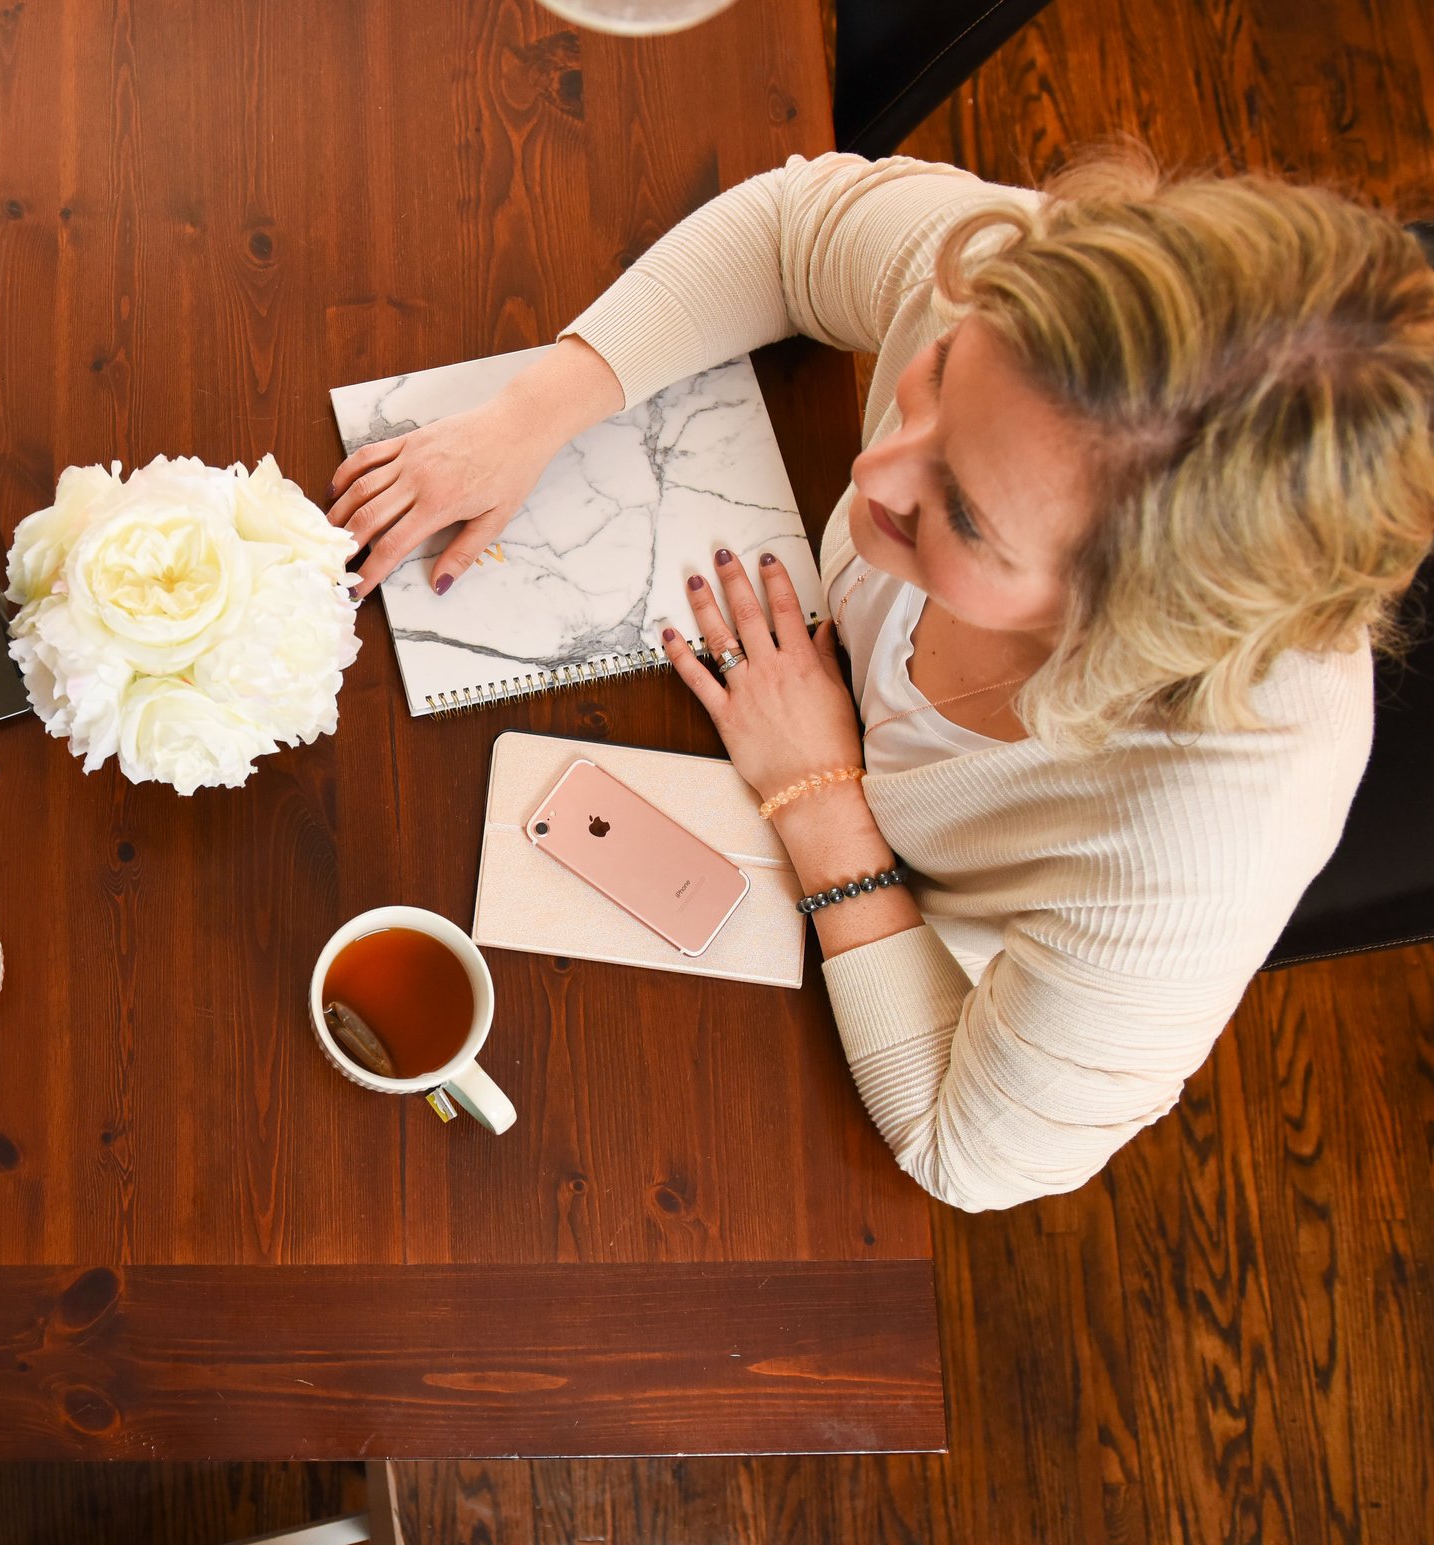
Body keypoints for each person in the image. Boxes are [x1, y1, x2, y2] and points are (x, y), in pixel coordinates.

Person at [328, 150, 1434, 1211]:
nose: (874, 473)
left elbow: (971, 1153)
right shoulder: (1047, 309)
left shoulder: (1198, 842)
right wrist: (528, 417)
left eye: (963, 512)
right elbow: (789, 230)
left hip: (885, 937)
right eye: (941, 375)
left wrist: (821, 799)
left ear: (1128, 621)